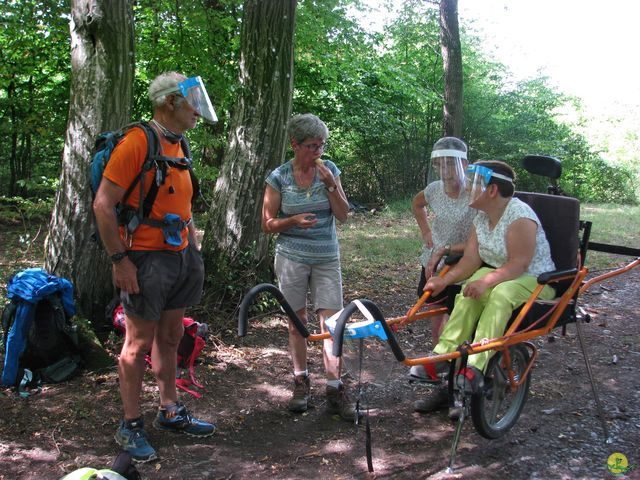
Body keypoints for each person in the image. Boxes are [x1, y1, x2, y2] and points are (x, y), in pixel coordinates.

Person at [93, 72, 217, 462]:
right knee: (137, 344)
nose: (198, 109)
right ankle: (129, 426)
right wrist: (120, 260)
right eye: (191, 101)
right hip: (144, 260)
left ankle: (170, 410)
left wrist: (192, 243)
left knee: (170, 336)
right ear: (169, 104)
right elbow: (103, 204)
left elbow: (181, 201)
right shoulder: (137, 141)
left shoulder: (179, 144)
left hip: (180, 256)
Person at [420, 160, 556, 418]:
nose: (466, 187)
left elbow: (519, 263)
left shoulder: (519, 216)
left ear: (492, 190)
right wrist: (444, 280)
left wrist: (486, 281)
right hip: (499, 272)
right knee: (468, 293)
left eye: (472, 184)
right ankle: (445, 355)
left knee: (500, 294)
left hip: (536, 279)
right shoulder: (481, 217)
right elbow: (471, 260)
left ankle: (476, 365)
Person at [261, 113, 356, 420]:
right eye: (312, 146)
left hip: (326, 256)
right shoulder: (279, 177)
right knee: (296, 321)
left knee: (331, 323)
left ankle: (334, 385)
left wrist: (331, 186)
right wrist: (292, 221)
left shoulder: (330, 171)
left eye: (321, 145)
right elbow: (267, 223)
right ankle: (301, 381)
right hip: (291, 257)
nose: (318, 152)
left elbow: (343, 215)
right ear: (295, 144)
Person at [409, 137, 476, 387]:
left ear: (464, 164)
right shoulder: (434, 189)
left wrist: (451, 249)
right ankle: (440, 359)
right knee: (434, 309)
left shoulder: (475, 192)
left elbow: (482, 237)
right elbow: (417, 204)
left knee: (458, 312)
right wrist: (426, 232)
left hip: (465, 262)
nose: (445, 172)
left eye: (450, 165)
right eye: (439, 165)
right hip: (434, 261)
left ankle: (461, 363)